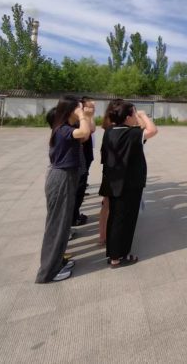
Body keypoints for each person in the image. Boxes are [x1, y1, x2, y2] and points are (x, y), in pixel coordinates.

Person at [35, 96, 95, 283]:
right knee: (57, 225)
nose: (80, 110)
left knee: (62, 224)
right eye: (78, 108)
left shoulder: (67, 128)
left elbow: (86, 134)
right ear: (70, 110)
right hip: (61, 178)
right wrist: (82, 115)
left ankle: (58, 261)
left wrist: (87, 116)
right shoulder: (62, 129)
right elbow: (84, 131)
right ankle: (49, 272)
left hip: (66, 177)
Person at [101, 101, 158, 267]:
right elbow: (152, 130)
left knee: (115, 218)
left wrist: (136, 115)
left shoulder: (110, 131)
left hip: (114, 181)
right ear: (127, 117)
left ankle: (113, 253)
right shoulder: (132, 134)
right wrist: (143, 115)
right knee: (127, 219)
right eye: (133, 113)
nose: (136, 116)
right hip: (130, 183)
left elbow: (141, 131)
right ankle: (120, 256)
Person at [97, 99, 123, 246]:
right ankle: (106, 235)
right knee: (109, 204)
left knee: (106, 203)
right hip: (115, 171)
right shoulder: (117, 129)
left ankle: (102, 235)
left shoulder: (109, 127)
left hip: (108, 169)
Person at [72, 96, 96, 227]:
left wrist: (89, 116)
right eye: (89, 107)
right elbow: (87, 133)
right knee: (78, 187)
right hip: (80, 157)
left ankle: (75, 214)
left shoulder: (85, 117)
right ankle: (74, 217)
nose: (91, 109)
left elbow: (93, 128)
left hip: (86, 155)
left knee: (81, 185)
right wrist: (85, 116)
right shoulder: (76, 121)